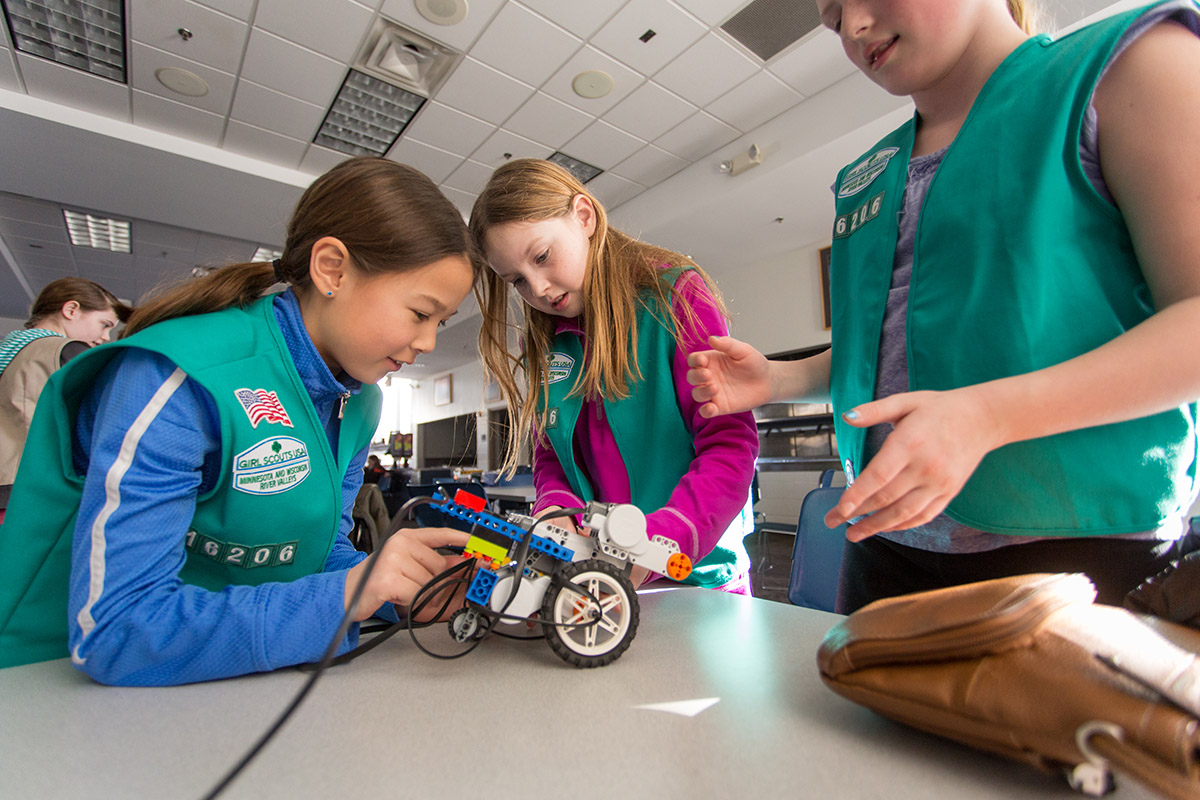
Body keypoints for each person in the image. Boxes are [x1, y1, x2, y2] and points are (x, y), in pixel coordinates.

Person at [687, 0, 1200, 612]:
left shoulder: (1130, 65)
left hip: (1080, 552)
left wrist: (989, 415)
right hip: (886, 547)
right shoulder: (867, 176)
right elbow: (885, 339)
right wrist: (780, 377)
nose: (852, 28)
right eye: (831, 17)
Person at [0, 157, 478, 683]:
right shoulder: (175, 377)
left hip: (231, 687)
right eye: (420, 313)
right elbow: (118, 629)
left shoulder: (358, 400)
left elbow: (319, 554)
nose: (428, 342)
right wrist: (348, 594)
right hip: (56, 693)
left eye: (442, 322)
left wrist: (399, 587)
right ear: (332, 269)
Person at [470, 159, 759, 593]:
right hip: (599, 577)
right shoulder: (546, 342)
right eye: (518, 281)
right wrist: (558, 511)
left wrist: (659, 543)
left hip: (694, 577)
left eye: (543, 257)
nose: (539, 290)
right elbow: (550, 455)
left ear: (584, 217)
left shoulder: (675, 297)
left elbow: (729, 446)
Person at [0, 278, 131, 519]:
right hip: (26, 488)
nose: (105, 337)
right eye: (104, 324)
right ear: (71, 310)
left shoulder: (11, 345)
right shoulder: (68, 351)